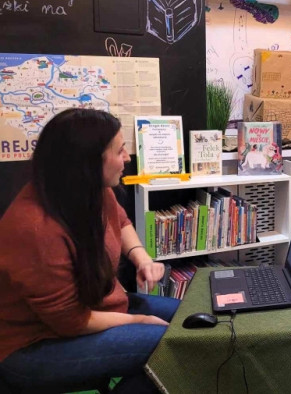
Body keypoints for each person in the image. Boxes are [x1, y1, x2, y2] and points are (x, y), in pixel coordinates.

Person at [0, 109, 179, 393]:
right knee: (173, 347)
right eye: (119, 151)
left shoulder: (91, 189)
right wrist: (139, 321)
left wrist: (142, 258)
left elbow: (121, 222)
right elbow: (71, 321)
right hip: (35, 346)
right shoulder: (33, 229)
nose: (127, 158)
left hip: (98, 309)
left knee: (192, 318)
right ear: (88, 162)